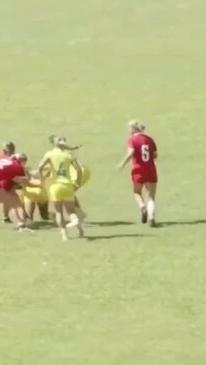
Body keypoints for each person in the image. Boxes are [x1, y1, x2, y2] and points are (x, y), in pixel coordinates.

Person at [38, 137, 83, 241]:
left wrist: (42, 180)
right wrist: (77, 182)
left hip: (55, 185)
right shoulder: (69, 155)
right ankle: (78, 226)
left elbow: (40, 166)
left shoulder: (49, 154)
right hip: (67, 184)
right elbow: (79, 170)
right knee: (71, 211)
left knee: (59, 212)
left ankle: (64, 235)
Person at [118, 120, 158, 227]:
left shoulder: (132, 139)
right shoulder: (149, 139)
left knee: (137, 192)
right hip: (151, 170)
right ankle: (151, 218)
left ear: (134, 129)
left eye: (129, 128)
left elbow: (131, 153)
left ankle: (142, 207)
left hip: (138, 170)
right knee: (151, 196)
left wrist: (122, 163)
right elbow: (155, 155)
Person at [0, 142, 16, 222]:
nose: (13, 150)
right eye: (12, 148)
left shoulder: (12, 156)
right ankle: (6, 217)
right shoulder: (10, 156)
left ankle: (6, 217)